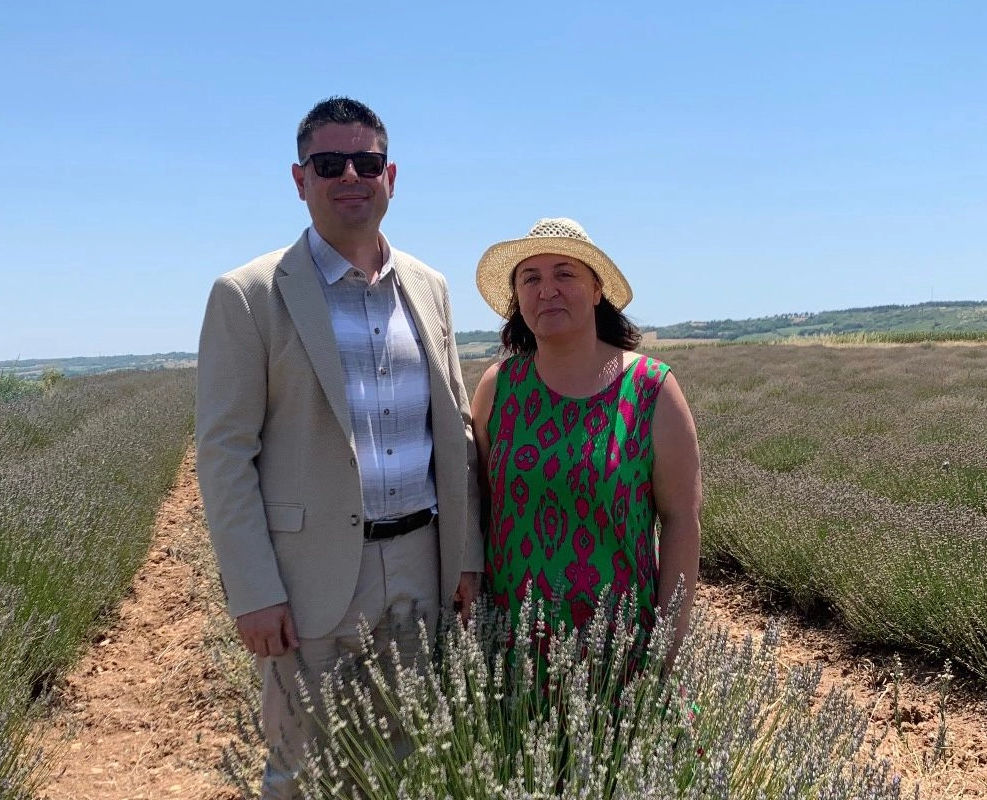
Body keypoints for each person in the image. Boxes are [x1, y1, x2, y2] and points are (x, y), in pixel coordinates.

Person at [195, 96, 482, 800]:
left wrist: (467, 555)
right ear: (300, 180)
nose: (350, 175)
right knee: (302, 772)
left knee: (412, 761)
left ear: (391, 177)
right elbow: (225, 455)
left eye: (366, 162)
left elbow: (455, 429)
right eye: (329, 164)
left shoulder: (430, 288)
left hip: (419, 565)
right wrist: (254, 591)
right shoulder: (249, 294)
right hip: (306, 581)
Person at [470, 217, 702, 666]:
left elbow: (681, 521)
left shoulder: (651, 389)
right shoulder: (498, 388)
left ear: (597, 290)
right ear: (517, 297)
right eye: (530, 278)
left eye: (565, 273)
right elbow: (479, 507)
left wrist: (669, 647)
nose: (547, 290)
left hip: (619, 654)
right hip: (512, 649)